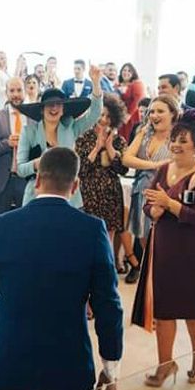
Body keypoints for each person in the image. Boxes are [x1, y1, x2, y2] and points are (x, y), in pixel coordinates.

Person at [0, 147, 123, 390]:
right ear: (75, 186)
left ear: (38, 180)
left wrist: (6, 320)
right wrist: (111, 365)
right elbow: (108, 304)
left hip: (12, 359)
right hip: (69, 362)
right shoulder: (92, 230)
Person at [132, 110, 195, 387]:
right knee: (164, 310)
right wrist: (153, 209)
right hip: (166, 248)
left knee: (194, 309)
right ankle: (165, 364)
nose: (177, 144)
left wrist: (169, 204)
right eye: (175, 139)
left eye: (184, 140)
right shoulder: (163, 169)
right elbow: (148, 204)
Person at [16, 64, 103, 206]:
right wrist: (37, 163)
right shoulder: (28, 132)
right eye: (49, 104)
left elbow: (95, 113)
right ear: (42, 110)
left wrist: (95, 83)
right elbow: (20, 169)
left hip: (69, 197)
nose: (54, 108)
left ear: (63, 110)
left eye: (58, 104)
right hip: (36, 196)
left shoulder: (71, 127)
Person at [121, 95, 178, 284]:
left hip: (166, 194)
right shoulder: (144, 132)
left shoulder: (179, 137)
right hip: (142, 191)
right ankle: (150, 277)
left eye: (160, 111)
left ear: (173, 114)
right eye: (152, 111)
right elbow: (126, 158)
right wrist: (155, 165)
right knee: (144, 238)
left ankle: (161, 278)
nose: (154, 115)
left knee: (162, 241)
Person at [75, 94, 129, 272]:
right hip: (88, 193)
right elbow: (81, 170)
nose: (104, 120)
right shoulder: (83, 138)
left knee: (108, 237)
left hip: (110, 194)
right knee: (86, 236)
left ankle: (106, 273)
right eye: (101, 115)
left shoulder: (119, 141)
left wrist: (109, 147)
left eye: (108, 116)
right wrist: (97, 147)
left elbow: (122, 169)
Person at [0, 77, 28, 215]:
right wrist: (7, 143)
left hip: (26, 180)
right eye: (12, 90)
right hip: (1, 181)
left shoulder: (33, 117)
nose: (15, 94)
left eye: (19, 90)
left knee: (26, 223)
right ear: (6, 93)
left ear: (24, 91)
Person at [116, 63, 146, 141]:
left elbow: (138, 100)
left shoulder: (137, 84)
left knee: (130, 138)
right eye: (124, 70)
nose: (126, 72)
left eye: (129, 71)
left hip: (131, 116)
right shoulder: (117, 85)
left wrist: (128, 115)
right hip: (120, 116)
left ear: (133, 73)